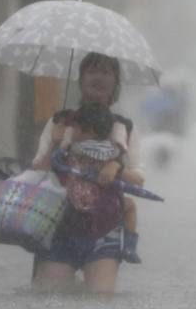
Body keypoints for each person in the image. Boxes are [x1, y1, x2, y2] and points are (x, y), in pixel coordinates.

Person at [30, 52, 144, 294]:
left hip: (104, 229)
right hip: (59, 228)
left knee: (101, 298)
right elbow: (36, 173)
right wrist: (55, 143)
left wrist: (116, 167)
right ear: (81, 79)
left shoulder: (124, 127)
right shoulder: (60, 122)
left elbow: (138, 180)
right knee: (49, 296)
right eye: (92, 71)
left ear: (116, 82)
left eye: (106, 72)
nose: (98, 78)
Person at [57, 102, 144, 263]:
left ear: (84, 131)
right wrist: (116, 163)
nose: (72, 131)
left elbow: (58, 163)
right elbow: (136, 179)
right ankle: (129, 247)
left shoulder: (74, 149)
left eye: (75, 128)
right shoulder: (110, 152)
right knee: (130, 206)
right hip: (103, 209)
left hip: (74, 208)